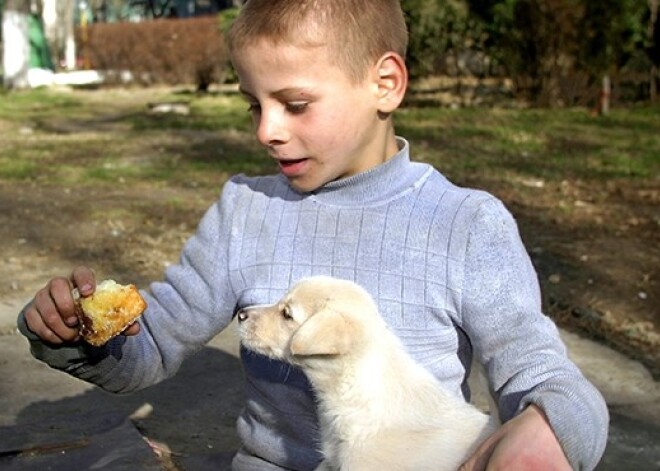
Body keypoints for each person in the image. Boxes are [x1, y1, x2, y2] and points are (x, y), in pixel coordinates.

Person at [17, 1, 608, 470]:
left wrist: (547, 429)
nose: (267, 130)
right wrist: (84, 335)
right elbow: (152, 349)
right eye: (254, 105)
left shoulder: (466, 225)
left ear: (385, 84)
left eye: (295, 103)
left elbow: (544, 376)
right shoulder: (245, 210)